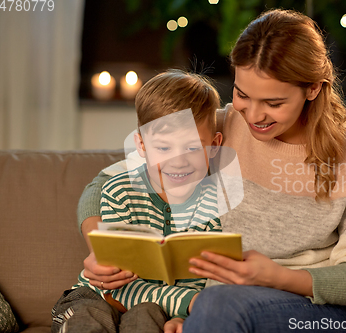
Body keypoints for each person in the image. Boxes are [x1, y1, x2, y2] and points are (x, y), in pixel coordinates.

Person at [77, 9, 346, 333]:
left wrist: (274, 277)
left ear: (312, 89)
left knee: (221, 304)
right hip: (221, 308)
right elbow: (109, 178)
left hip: (320, 312)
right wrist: (103, 247)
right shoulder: (224, 127)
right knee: (217, 306)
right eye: (242, 94)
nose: (254, 115)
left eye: (273, 102)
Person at [51, 69, 223, 333]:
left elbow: (199, 282)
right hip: (97, 296)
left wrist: (186, 317)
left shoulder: (214, 207)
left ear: (214, 145)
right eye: (163, 148)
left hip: (157, 309)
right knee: (87, 319)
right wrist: (190, 303)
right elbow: (119, 284)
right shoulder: (120, 192)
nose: (178, 161)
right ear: (141, 145)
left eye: (192, 147)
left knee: (147, 318)